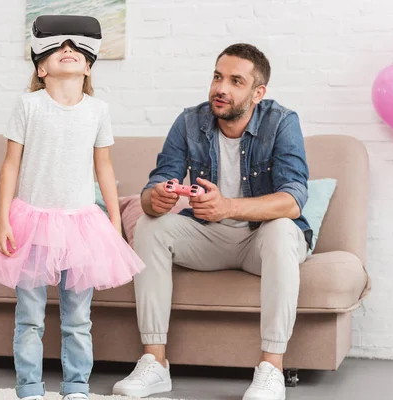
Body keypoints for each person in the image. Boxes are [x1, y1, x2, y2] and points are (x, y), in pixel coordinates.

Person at [0, 15, 145, 400]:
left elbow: (104, 166)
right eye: (58, 47)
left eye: (77, 49)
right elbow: (10, 164)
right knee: (29, 317)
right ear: (41, 68)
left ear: (89, 66)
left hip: (81, 225)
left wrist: (113, 218)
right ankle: (29, 387)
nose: (68, 50)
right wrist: (4, 218)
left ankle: (76, 386)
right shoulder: (28, 106)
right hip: (31, 221)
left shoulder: (98, 111)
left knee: (77, 318)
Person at [112, 43, 311, 400]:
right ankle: (154, 363)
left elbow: (293, 200)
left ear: (258, 92)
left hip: (261, 241)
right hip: (208, 238)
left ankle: (271, 368)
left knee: (282, 228)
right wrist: (155, 199)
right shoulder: (190, 121)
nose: (221, 88)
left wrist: (228, 207)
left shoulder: (281, 122)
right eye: (218, 77)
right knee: (150, 226)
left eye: (236, 81)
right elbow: (154, 186)